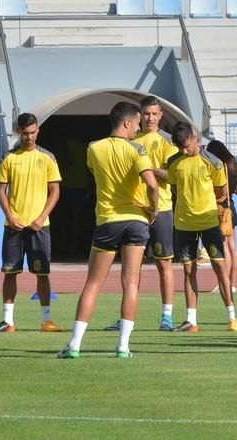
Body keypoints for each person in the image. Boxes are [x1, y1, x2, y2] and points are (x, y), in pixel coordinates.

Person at [57, 101, 158, 359]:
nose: (138, 127)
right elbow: (152, 185)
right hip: (136, 219)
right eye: (136, 123)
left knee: (93, 283)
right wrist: (153, 209)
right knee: (131, 282)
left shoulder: (94, 148)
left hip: (108, 220)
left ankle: (75, 344)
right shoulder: (137, 149)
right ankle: (123, 346)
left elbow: (95, 172)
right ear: (126, 123)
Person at [104, 96, 177, 332]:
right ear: (139, 116)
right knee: (129, 268)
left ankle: (167, 316)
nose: (150, 118)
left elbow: (171, 176)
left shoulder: (167, 141)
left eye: (155, 114)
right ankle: (125, 318)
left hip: (161, 208)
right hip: (135, 209)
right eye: (146, 114)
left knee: (163, 263)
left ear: (161, 114)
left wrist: (146, 168)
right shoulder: (130, 138)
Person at [167, 122, 237, 333]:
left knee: (219, 268)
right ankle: (191, 321)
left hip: (209, 223)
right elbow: (174, 189)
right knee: (188, 269)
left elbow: (222, 192)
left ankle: (232, 317)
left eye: (186, 145)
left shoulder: (213, 162)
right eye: (179, 146)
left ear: (194, 138)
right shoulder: (173, 162)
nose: (183, 150)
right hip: (183, 224)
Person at [0, 113, 61, 333]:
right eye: (25, 133)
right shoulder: (9, 158)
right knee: (10, 272)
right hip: (14, 226)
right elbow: (1, 191)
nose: (29, 137)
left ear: (37, 130)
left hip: (40, 226)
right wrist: (10, 217)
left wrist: (41, 218)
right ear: (18, 132)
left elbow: (55, 191)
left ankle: (46, 320)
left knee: (42, 273)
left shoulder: (47, 157)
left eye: (32, 132)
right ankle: (8, 321)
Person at [206, 140, 237, 296]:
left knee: (224, 246)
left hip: (221, 208)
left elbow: (223, 192)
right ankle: (232, 284)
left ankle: (224, 282)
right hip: (232, 207)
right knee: (233, 246)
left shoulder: (220, 166)